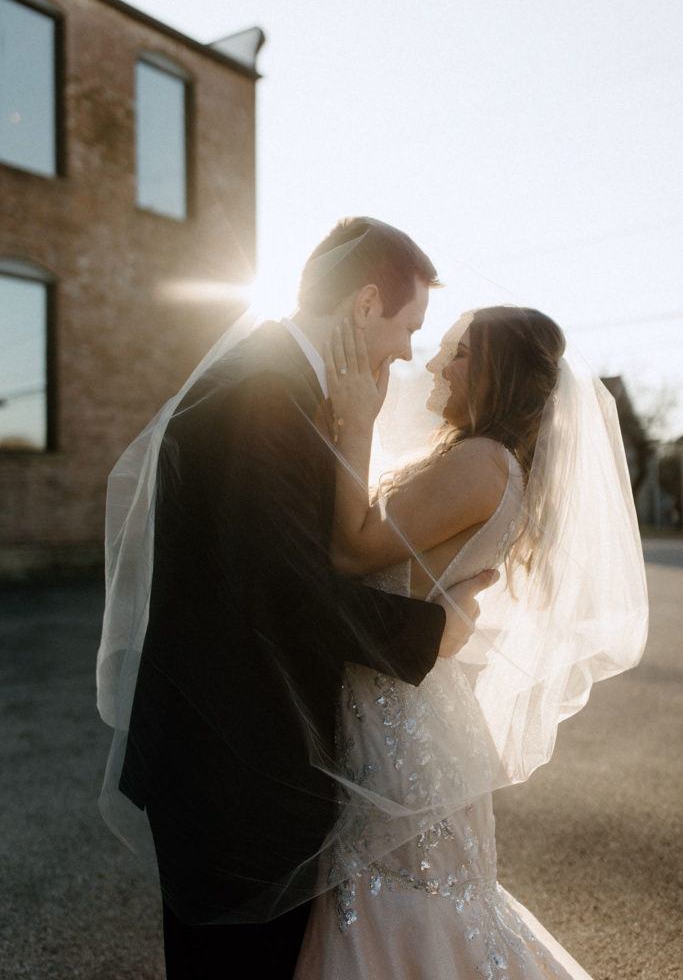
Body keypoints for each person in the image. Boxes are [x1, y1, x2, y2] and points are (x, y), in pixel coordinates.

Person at [95, 218, 496, 978]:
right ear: (365, 304)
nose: (410, 349)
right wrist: (432, 629)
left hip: (238, 749)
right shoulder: (263, 394)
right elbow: (286, 588)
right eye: (408, 326)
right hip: (235, 762)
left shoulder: (285, 384)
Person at [294, 305, 648, 978]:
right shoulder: (481, 460)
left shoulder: (483, 463)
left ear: (495, 372)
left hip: (405, 719)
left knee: (403, 904)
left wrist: (357, 423)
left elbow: (352, 548)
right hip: (404, 697)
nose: (432, 362)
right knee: (412, 900)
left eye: (454, 352)